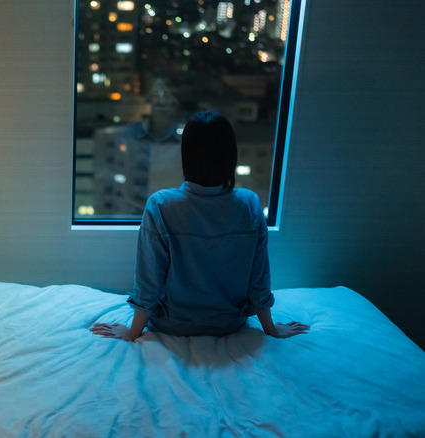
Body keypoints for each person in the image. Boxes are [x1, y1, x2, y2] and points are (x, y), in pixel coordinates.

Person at [91, 110, 309, 341]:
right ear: (230, 155)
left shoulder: (161, 204)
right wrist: (270, 328)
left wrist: (133, 332)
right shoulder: (249, 204)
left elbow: (149, 280)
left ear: (186, 154)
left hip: (172, 324)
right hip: (229, 323)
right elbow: (259, 278)